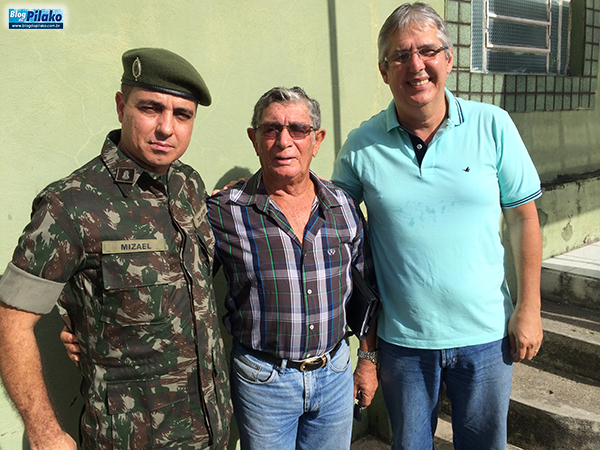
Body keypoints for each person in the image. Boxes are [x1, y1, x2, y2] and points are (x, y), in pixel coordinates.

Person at [333, 3, 543, 450]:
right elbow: (333, 222)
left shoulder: (492, 126)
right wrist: (262, 190)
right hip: (404, 341)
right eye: (400, 55)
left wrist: (529, 308)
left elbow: (524, 218)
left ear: (449, 58)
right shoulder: (361, 145)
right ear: (383, 70)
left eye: (428, 51)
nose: (416, 65)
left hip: (486, 336)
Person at [0, 48, 232, 449]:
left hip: (212, 430)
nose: (166, 128)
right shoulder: (70, 205)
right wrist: (43, 432)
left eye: (182, 115)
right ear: (121, 106)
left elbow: (186, 286)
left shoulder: (188, 184)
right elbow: (10, 322)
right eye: (151, 108)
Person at [207, 86, 373, 449]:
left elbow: (367, 289)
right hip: (263, 380)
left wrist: (368, 359)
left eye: (298, 129)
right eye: (271, 129)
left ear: (317, 140)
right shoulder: (224, 212)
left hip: (335, 374)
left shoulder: (343, 207)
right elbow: (182, 284)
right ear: (254, 139)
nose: (284, 141)